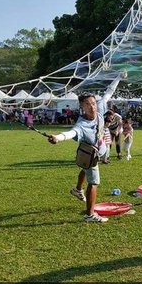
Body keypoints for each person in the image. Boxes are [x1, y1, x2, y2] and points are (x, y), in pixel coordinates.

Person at [48, 72, 127, 223]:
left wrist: (118, 77)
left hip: (99, 150)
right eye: (88, 105)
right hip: (89, 153)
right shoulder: (81, 124)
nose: (92, 106)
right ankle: (90, 214)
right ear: (82, 107)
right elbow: (71, 133)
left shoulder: (100, 107)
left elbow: (109, 92)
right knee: (94, 182)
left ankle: (77, 189)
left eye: (93, 103)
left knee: (85, 170)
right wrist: (57, 137)